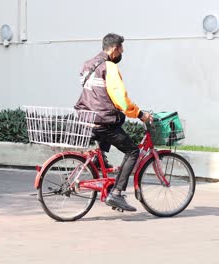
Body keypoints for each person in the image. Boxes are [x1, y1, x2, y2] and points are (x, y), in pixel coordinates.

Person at [75, 33, 152, 212]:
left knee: (115, 125)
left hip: (87, 117)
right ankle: (116, 193)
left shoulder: (88, 65)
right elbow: (121, 100)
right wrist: (140, 114)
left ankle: (98, 160)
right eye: (121, 49)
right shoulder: (109, 67)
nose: (122, 52)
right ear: (115, 49)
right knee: (133, 151)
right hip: (102, 120)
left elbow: (95, 94)